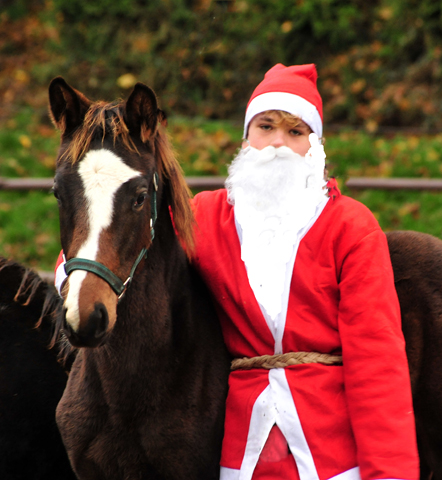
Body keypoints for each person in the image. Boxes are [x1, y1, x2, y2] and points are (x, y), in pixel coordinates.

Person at [55, 64, 419, 480]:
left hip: (329, 451)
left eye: (296, 132)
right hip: (245, 451)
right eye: (266, 126)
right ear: (246, 138)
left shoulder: (351, 227)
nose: (278, 143)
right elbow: (113, 229)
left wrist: (389, 472)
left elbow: (377, 364)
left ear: (315, 146)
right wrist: (76, 278)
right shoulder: (206, 218)